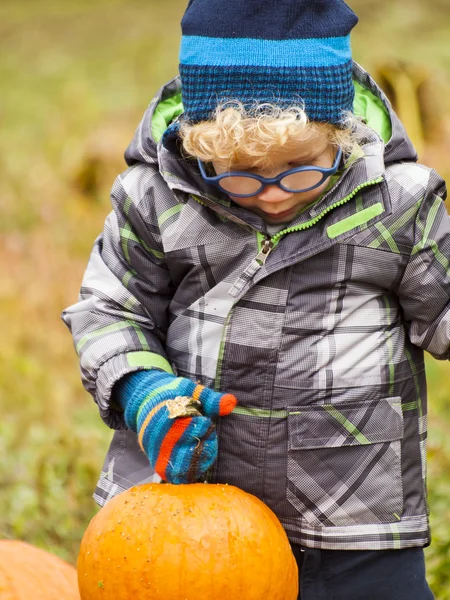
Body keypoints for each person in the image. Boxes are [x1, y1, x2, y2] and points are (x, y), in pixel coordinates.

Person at [62, 1, 447, 598]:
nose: (270, 194)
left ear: (340, 133)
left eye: (299, 168)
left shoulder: (398, 205)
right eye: (239, 172)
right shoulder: (157, 200)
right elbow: (110, 309)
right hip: (195, 522)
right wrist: (142, 390)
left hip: (356, 515)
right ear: (195, 145)